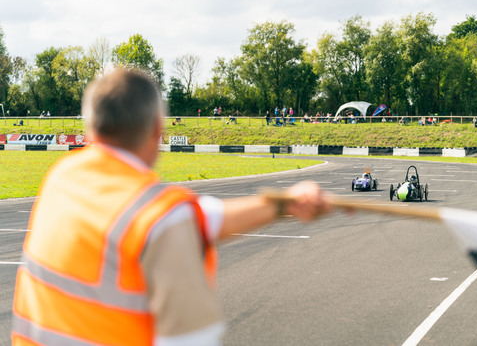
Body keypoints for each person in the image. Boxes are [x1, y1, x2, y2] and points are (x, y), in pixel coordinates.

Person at [11, 69, 330, 346]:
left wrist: (284, 203)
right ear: (157, 130)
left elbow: (199, 217)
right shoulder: (161, 217)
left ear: (90, 128)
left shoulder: (62, 177)